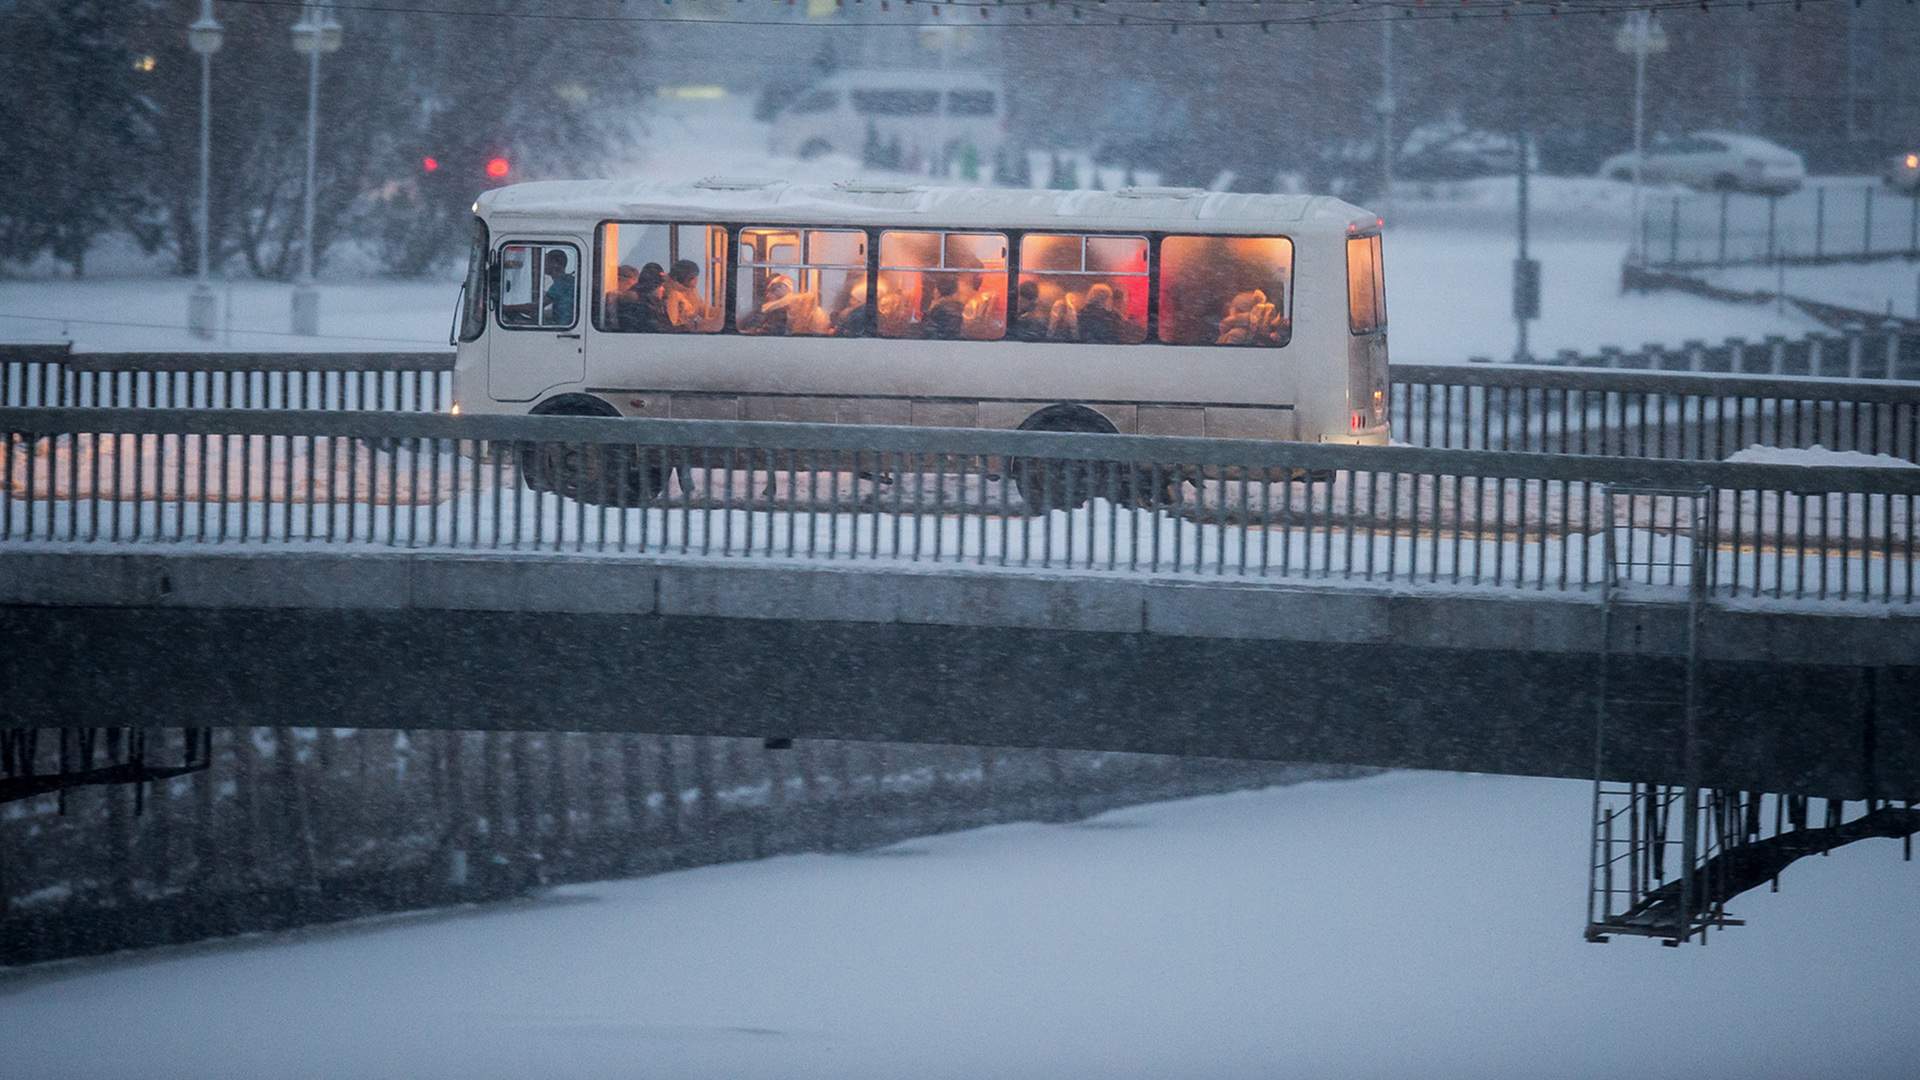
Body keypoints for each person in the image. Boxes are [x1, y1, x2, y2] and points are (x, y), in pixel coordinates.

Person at [615, 263, 668, 332]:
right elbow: (652, 327)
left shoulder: (652, 302)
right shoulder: (636, 302)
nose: (663, 289)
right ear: (653, 286)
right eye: (661, 285)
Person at [664, 259, 708, 331]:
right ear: (683, 277)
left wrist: (718, 312)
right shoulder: (673, 294)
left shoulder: (691, 289)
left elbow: (700, 308)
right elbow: (674, 323)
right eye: (693, 277)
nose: (696, 280)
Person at [920, 272, 965, 340]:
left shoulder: (939, 309)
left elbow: (928, 331)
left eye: (935, 288)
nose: (933, 292)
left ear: (938, 291)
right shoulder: (957, 307)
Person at [541, 249, 576, 326]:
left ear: (554, 264)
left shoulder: (561, 284)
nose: (542, 264)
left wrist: (510, 308)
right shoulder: (569, 280)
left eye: (545, 261)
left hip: (563, 328)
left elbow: (537, 306)